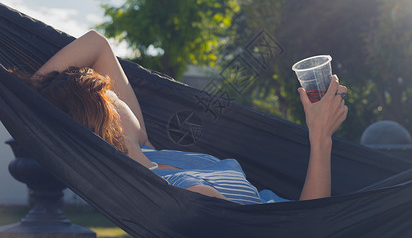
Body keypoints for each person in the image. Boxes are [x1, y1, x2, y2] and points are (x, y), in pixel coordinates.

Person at [25, 30, 348, 204]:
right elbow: (306, 228)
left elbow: (96, 44)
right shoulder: (180, 192)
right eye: (111, 95)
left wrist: (25, 98)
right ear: (111, 120)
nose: (120, 97)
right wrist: (320, 137)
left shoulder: (152, 154)